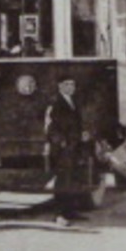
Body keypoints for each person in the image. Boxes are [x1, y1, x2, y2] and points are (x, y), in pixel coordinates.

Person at [45, 75, 90, 226]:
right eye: (67, 84)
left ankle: (70, 211)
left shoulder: (72, 101)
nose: (71, 87)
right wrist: (61, 143)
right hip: (63, 149)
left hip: (74, 146)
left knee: (73, 179)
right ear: (60, 86)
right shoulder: (56, 103)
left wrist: (82, 134)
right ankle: (59, 214)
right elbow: (51, 128)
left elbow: (76, 123)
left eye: (73, 84)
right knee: (63, 180)